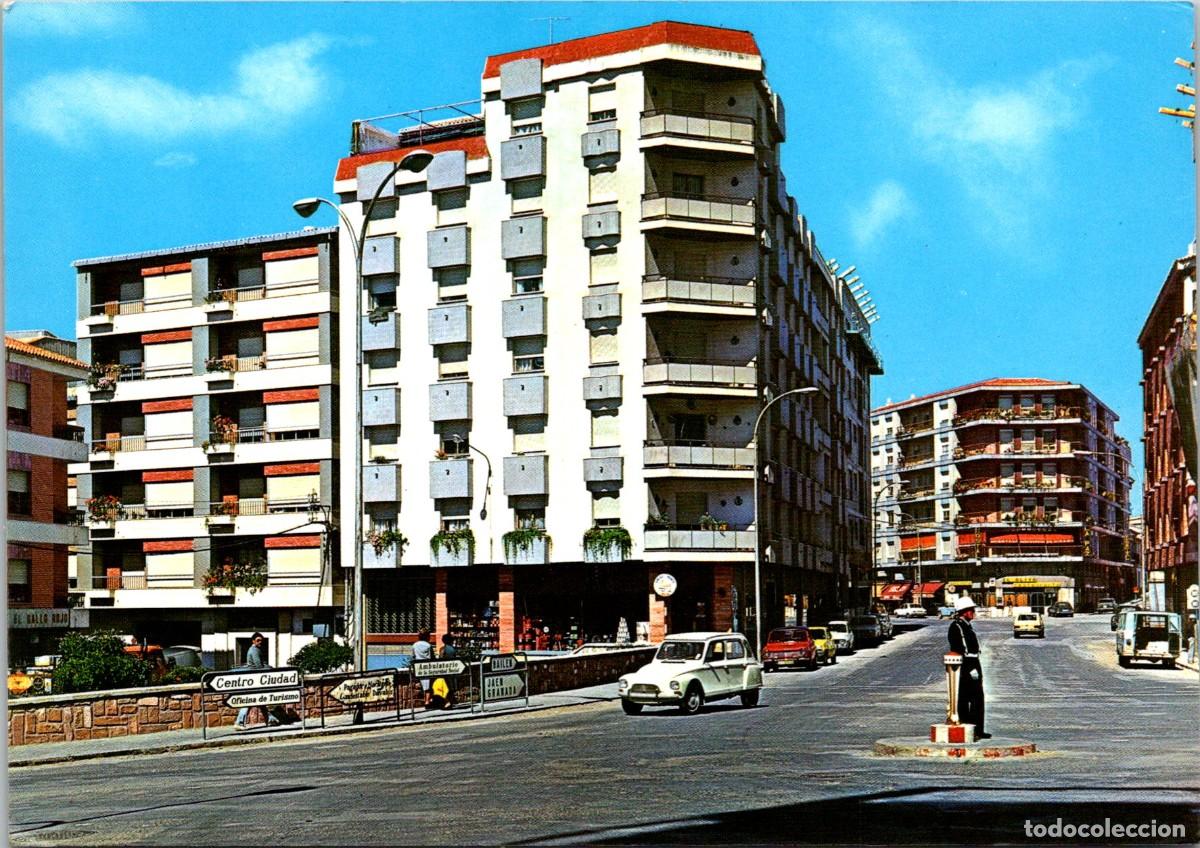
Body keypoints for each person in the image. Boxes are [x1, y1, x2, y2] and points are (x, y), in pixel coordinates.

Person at [947, 596, 990, 741]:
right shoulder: (957, 627)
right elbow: (960, 649)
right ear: (964, 611)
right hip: (966, 665)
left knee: (977, 698)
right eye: (971, 610)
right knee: (966, 698)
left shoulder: (966, 625)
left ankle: (977, 729)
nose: (973, 612)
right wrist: (970, 668)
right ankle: (969, 729)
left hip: (973, 662)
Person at [234, 633, 279, 731]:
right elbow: (259, 666)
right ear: (253, 641)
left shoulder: (255, 649)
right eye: (258, 640)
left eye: (261, 640)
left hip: (254, 678)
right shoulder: (254, 650)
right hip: (254, 678)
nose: (260, 642)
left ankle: (270, 719)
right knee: (250, 700)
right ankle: (239, 722)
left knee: (260, 699)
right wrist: (269, 668)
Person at [413, 629, 434, 708]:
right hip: (427, 666)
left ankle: (426, 700)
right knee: (428, 684)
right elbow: (432, 657)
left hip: (418, 667)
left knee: (422, 684)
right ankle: (427, 701)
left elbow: (413, 656)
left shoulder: (415, 645)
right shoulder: (428, 645)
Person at [439, 634, 458, 709]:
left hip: (444, 670)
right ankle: (450, 701)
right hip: (452, 670)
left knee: (445, 687)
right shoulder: (453, 649)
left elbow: (440, 659)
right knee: (451, 687)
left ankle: (447, 703)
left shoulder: (442, 649)